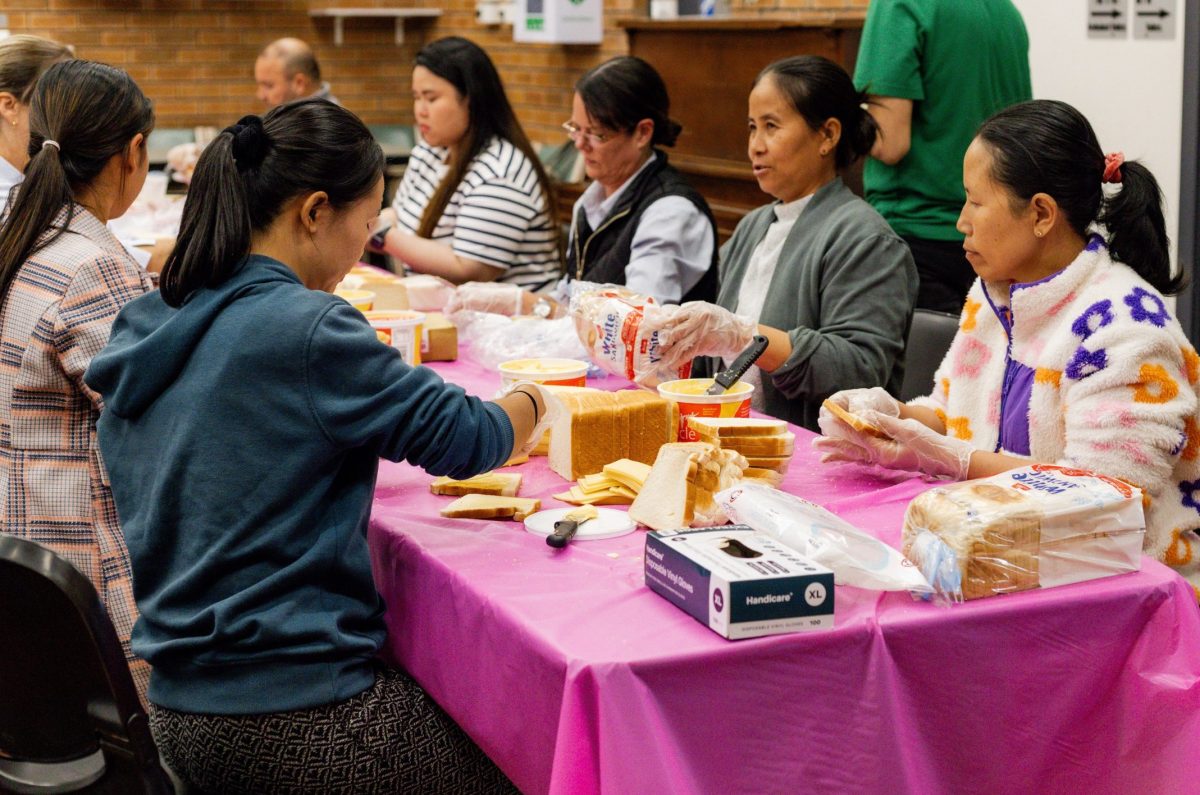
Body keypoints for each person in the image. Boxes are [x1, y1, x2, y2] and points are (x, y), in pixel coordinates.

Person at [84, 98, 552, 793]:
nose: (360, 253)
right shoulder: (306, 326)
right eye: (364, 229)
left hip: (174, 706)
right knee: (535, 755)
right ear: (313, 212)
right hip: (294, 716)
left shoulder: (151, 318)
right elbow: (470, 437)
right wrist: (538, 397)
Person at [816, 99, 1200, 587]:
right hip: (1008, 558)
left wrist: (946, 458)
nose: (961, 221)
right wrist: (889, 417)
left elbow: (1105, 500)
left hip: (1128, 589)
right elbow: (952, 409)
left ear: (1041, 213)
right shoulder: (997, 291)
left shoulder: (1125, 327)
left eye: (976, 202)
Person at [652, 55, 917, 431]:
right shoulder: (753, 226)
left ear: (828, 135)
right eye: (751, 127)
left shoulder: (866, 239)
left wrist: (746, 336)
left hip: (814, 452)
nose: (755, 146)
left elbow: (859, 372)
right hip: (729, 434)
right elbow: (712, 359)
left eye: (771, 127)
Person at [0, 59, 155, 700]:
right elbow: (156, 422)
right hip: (84, 577)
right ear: (134, 153)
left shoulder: (26, 233)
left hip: (26, 556)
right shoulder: (92, 265)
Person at [446, 55, 718, 318]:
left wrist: (530, 304)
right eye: (575, 128)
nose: (579, 144)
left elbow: (638, 325)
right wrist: (520, 305)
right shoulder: (591, 200)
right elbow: (570, 298)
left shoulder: (670, 213)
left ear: (642, 133)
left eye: (596, 134)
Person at [853, 0, 1031, 314]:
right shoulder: (1006, 11)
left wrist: (824, 122)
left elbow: (889, 142)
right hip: (993, 238)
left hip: (917, 233)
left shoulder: (897, 5)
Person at [371, 36, 559, 291]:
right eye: (416, 97)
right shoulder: (432, 150)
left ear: (470, 99)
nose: (420, 110)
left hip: (508, 323)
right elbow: (400, 216)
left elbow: (469, 268)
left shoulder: (501, 171)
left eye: (431, 98)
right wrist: (365, 223)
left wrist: (379, 235)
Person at [255, 37, 338, 108]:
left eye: (269, 86)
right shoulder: (289, 115)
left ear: (299, 83)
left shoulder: (330, 123)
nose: (261, 96)